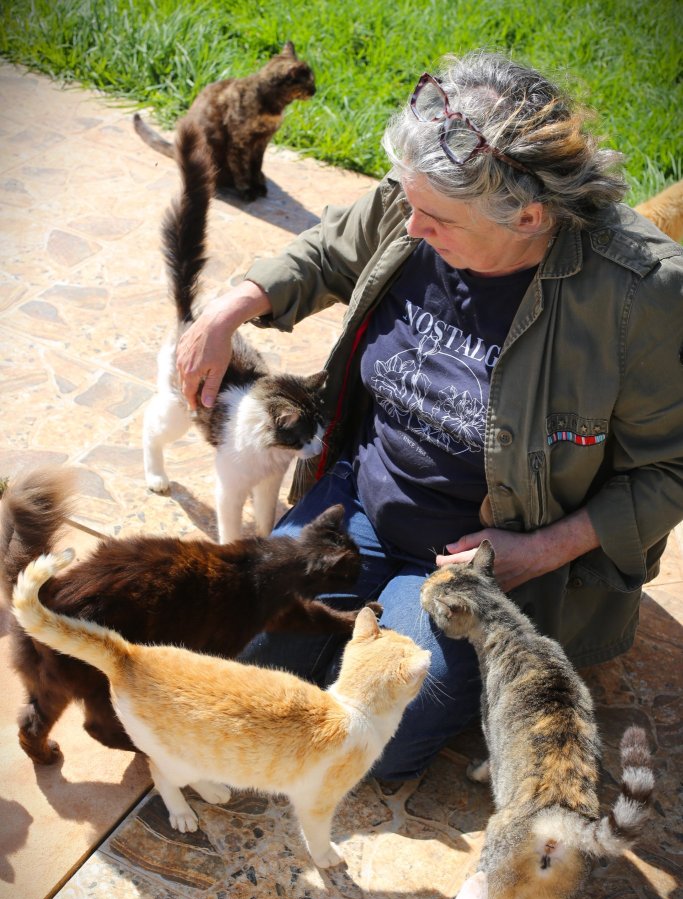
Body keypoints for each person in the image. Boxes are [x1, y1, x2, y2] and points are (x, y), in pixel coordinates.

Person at [176, 51, 683, 780]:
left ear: (528, 217)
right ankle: (364, 614)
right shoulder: (426, 192)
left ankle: (397, 626)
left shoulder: (640, 295)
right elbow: (328, 250)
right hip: (359, 498)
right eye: (408, 203)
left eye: (435, 219)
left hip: (478, 554)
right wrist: (229, 309)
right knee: (235, 654)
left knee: (379, 738)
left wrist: (543, 550)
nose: (409, 227)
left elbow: (669, 470)